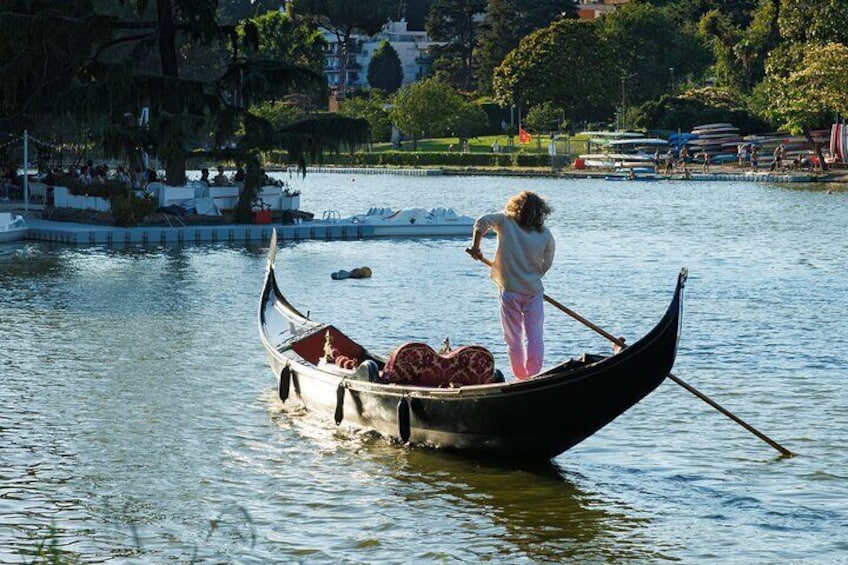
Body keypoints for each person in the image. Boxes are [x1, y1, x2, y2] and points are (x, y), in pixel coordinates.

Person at [467, 191, 556, 380]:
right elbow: (546, 264)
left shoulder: (504, 221)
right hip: (533, 291)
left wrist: (476, 248)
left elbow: (480, 223)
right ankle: (532, 375)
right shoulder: (545, 235)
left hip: (510, 292)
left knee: (513, 337)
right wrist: (531, 275)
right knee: (535, 335)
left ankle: (521, 377)